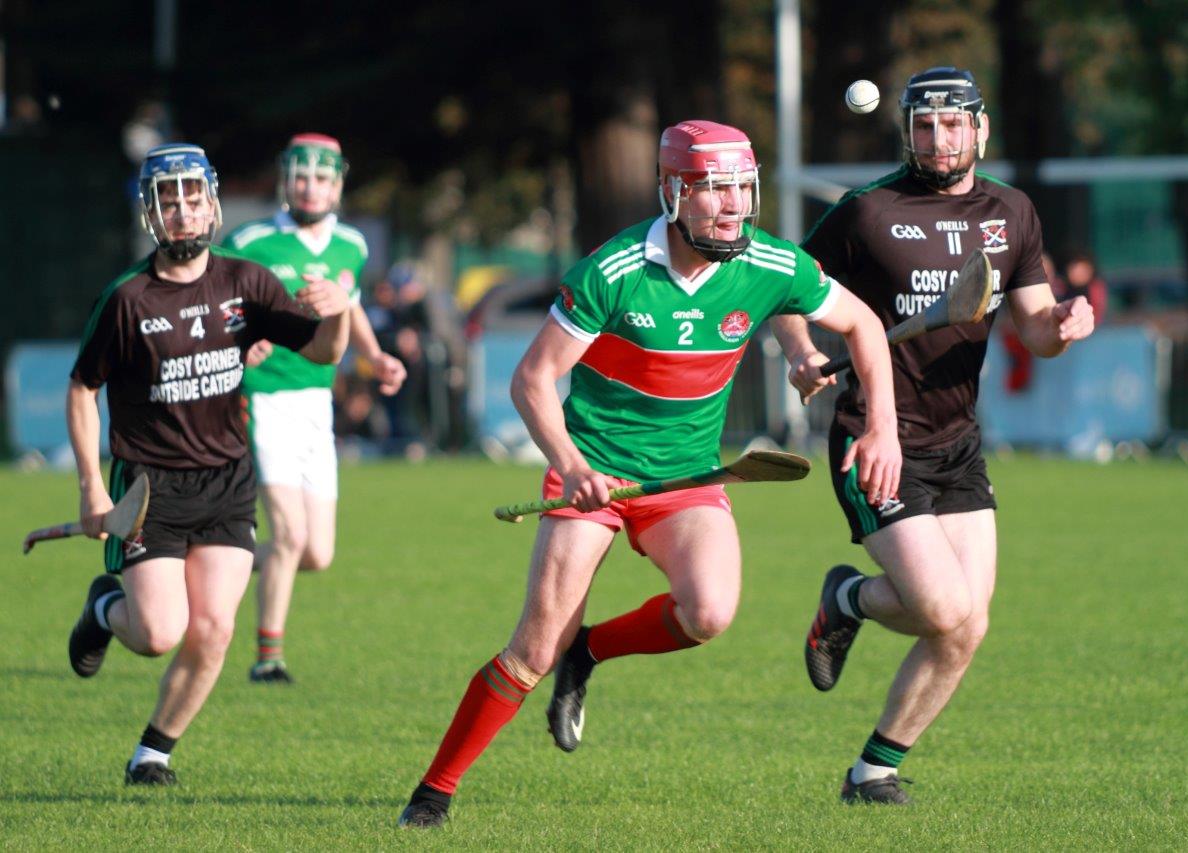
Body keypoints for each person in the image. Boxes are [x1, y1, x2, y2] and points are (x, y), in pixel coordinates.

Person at [396, 120, 902, 829]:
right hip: (593, 467)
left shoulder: (767, 261)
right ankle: (433, 792)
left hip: (689, 475)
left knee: (710, 612)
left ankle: (591, 651)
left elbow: (862, 326)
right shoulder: (613, 271)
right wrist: (569, 465)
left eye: (741, 189)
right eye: (714, 189)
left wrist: (875, 420)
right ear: (672, 192)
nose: (732, 206)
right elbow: (533, 381)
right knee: (534, 646)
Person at [771, 67, 1095, 805]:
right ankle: (848, 601)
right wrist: (797, 349)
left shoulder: (1011, 213)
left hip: (958, 442)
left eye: (953, 124)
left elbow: (1037, 329)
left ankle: (873, 770)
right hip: (874, 436)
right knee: (945, 607)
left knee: (964, 625)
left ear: (979, 128)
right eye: (924, 124)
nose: (938, 137)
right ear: (907, 130)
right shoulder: (868, 211)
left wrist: (1067, 325)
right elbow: (786, 286)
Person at [66, 143, 350, 784]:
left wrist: (337, 316)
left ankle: (153, 753)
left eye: (193, 199)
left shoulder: (245, 282)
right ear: (152, 215)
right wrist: (90, 487)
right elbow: (82, 388)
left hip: (225, 482)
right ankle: (105, 609)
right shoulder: (126, 298)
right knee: (160, 633)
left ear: (212, 204)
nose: (184, 213)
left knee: (215, 627)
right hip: (148, 486)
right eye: (170, 202)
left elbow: (322, 352)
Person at [223, 134, 405, 684]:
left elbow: (348, 305)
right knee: (289, 535)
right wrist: (238, 336)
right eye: (301, 177)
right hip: (264, 397)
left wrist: (375, 358)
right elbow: (213, 300)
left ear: (338, 185)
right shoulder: (250, 239)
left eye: (322, 178)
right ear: (286, 180)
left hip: (315, 404)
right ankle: (267, 657)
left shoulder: (352, 244)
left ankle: (211, 558)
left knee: (317, 552)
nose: (310, 187)